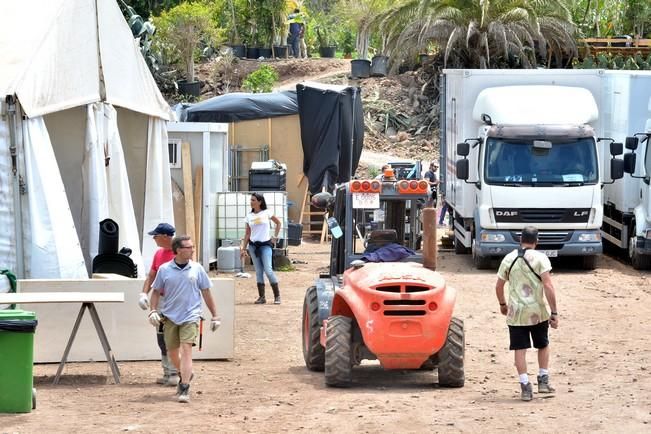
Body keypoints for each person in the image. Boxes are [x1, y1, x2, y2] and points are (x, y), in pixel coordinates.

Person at [148, 235, 220, 403]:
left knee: (186, 349)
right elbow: (156, 291)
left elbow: (206, 292)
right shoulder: (164, 270)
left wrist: (215, 315)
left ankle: (185, 387)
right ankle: (184, 372)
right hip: (170, 317)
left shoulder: (197, 269)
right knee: (172, 352)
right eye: (188, 247)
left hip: (191, 316)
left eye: (192, 246)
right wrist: (152, 311)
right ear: (178, 250)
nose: (192, 249)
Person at [495, 226, 559, 401]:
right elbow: (548, 285)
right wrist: (554, 312)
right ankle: (543, 380)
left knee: (519, 349)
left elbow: (499, 286)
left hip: (516, 313)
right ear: (536, 241)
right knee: (543, 345)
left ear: (520, 239)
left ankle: (525, 386)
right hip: (537, 312)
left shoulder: (509, 259)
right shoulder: (541, 259)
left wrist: (502, 304)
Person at [138, 222, 178, 386]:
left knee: (173, 336)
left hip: (175, 300)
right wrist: (143, 293)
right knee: (161, 336)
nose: (153, 238)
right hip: (160, 300)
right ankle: (167, 371)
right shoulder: (158, 254)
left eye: (156, 235)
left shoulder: (179, 253)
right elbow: (151, 276)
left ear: (166, 236)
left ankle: (175, 371)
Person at [240, 193, 282, 304]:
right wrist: (243, 248)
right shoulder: (249, 216)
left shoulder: (267, 212)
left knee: (268, 270)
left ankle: (277, 296)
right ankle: (262, 297)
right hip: (253, 246)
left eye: (253, 200)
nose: (251, 202)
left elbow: (278, 223)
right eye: (251, 200)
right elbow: (247, 233)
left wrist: (275, 237)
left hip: (265, 245)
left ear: (260, 202)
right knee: (258, 272)